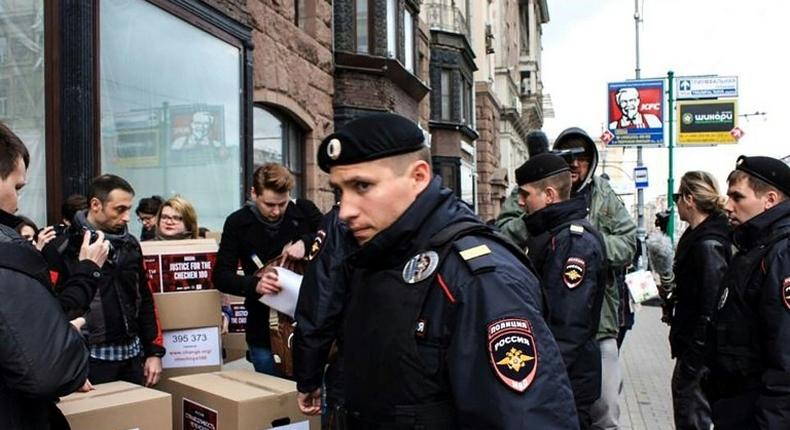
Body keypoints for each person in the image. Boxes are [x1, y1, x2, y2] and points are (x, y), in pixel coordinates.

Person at [304, 112, 579, 428]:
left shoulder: (479, 279)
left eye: (362, 186)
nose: (345, 211)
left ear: (418, 177)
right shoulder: (376, 256)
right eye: (340, 191)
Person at [496, 127, 637, 430]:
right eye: (568, 157)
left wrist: (590, 248)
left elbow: (627, 243)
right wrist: (538, 220)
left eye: (582, 158)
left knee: (605, 410)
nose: (575, 165)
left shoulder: (601, 196)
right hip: (545, 320)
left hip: (600, 323)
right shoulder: (533, 187)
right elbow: (504, 232)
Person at [0, 121, 108, 429]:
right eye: (16, 187)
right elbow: (48, 369)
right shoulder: (11, 254)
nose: (17, 202)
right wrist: (69, 336)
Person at [44, 174, 166, 387]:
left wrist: (154, 352)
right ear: (95, 205)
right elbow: (49, 312)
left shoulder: (131, 245)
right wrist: (70, 367)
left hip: (133, 358)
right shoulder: (61, 249)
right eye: (120, 209)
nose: (127, 217)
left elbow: (145, 298)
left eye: (129, 209)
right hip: (89, 361)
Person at [516, 153, 607, 429]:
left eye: (525, 194)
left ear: (549, 195)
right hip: (560, 375)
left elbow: (568, 325)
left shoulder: (572, 242)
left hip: (566, 378)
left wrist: (541, 379)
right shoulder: (554, 236)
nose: (521, 202)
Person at [213, 162, 322, 376]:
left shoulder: (304, 210)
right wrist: (256, 284)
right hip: (263, 327)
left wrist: (306, 242)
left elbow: (332, 235)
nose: (277, 211)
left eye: (283, 204)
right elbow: (221, 276)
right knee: (273, 398)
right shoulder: (237, 222)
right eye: (270, 204)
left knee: (312, 395)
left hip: (309, 323)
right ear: (254, 193)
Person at [705, 155, 790, 429]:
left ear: (770, 199)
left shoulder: (781, 254)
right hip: (737, 406)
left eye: (737, 198)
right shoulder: (755, 247)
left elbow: (784, 358)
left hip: (757, 411)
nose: (728, 206)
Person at [669, 171, 731, 430]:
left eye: (677, 197)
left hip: (699, 355)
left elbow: (711, 306)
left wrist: (694, 360)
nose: (676, 204)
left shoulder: (708, 243)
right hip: (694, 348)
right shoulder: (699, 237)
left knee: (693, 418)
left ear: (690, 199)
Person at [293, 204, 357, 428]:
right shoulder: (439, 219)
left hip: (358, 370)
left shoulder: (343, 220)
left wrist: (308, 381)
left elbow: (320, 308)